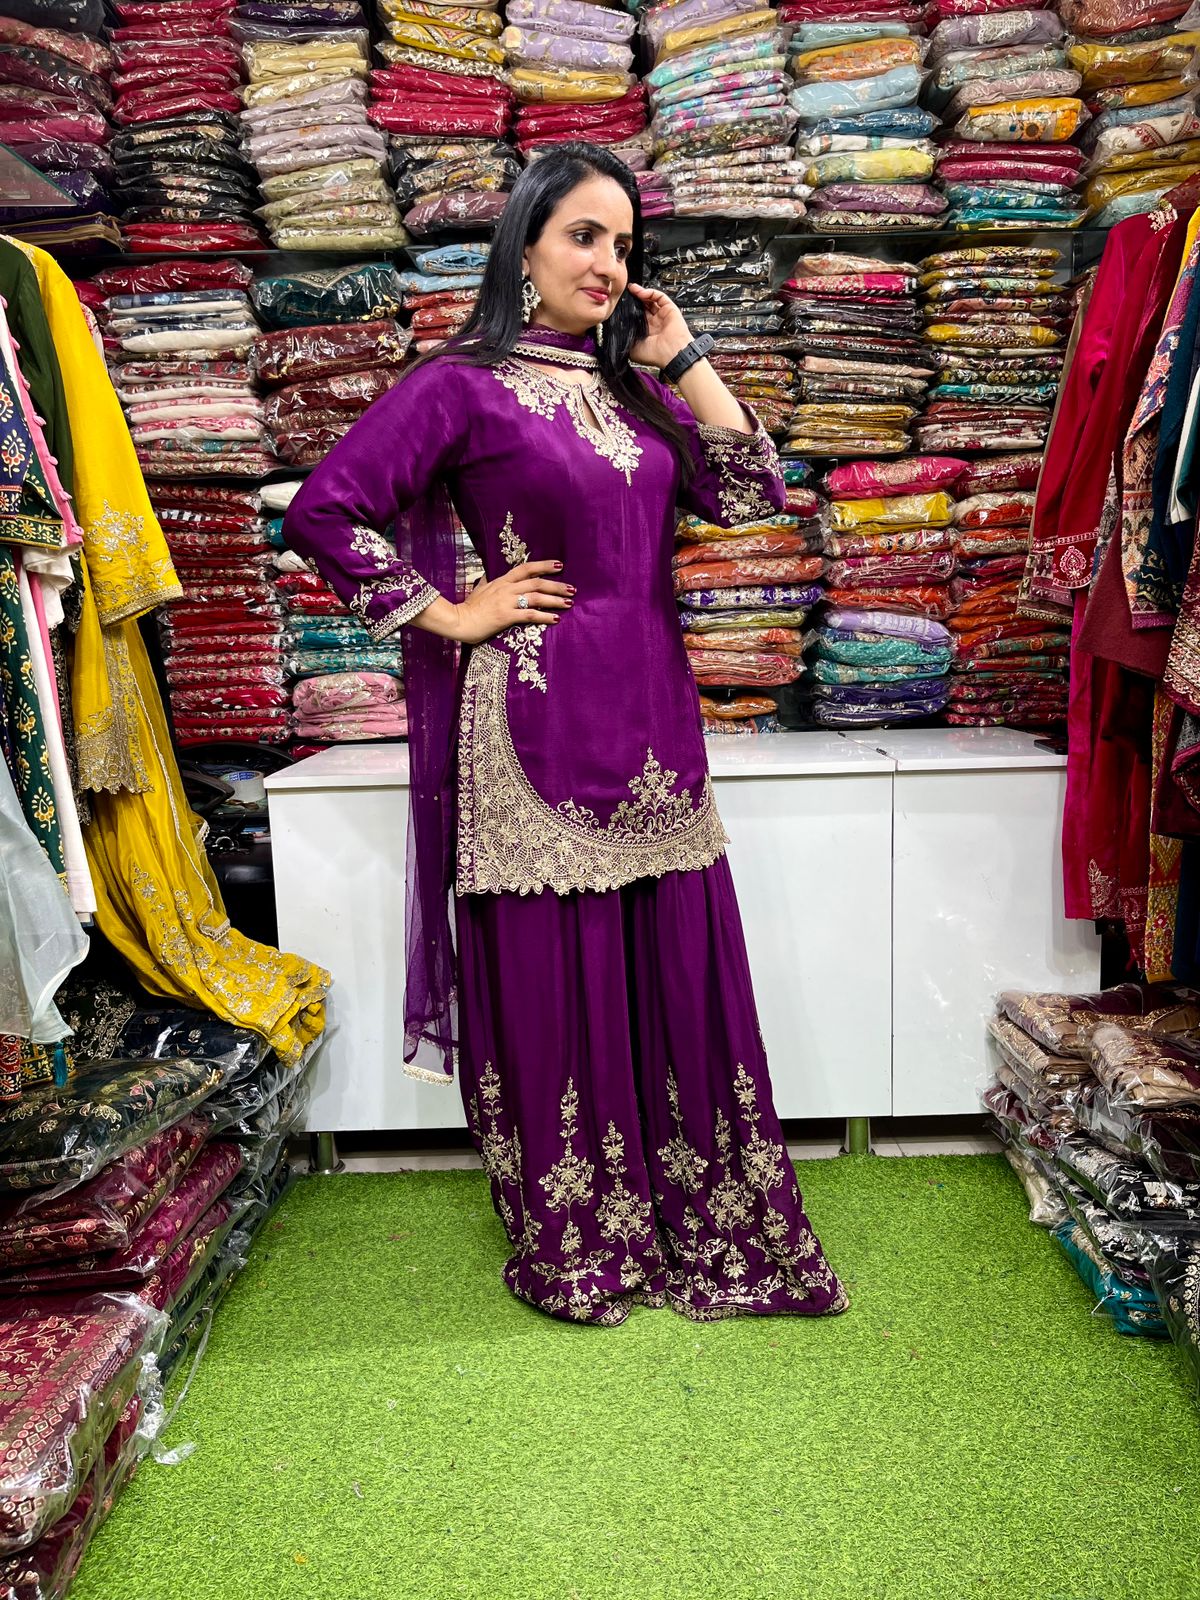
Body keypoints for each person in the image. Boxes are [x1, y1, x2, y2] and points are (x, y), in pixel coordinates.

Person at [284, 141, 848, 1326]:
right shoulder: (461, 386)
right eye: (584, 235)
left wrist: (681, 355)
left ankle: (698, 1208)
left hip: (655, 725)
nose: (607, 263)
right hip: (532, 727)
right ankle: (581, 1230)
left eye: (624, 244)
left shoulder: (636, 391)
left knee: (673, 969)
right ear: (525, 247)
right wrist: (450, 612)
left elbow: (755, 495)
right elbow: (326, 509)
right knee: (558, 980)